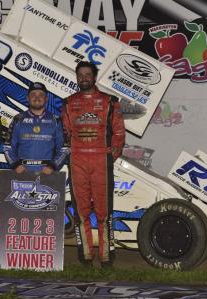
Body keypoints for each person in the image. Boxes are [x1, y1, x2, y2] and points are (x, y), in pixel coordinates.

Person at [62, 61, 125, 267]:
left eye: (87, 74)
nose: (84, 78)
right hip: (78, 161)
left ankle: (106, 256)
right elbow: (66, 133)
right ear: (77, 77)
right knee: (82, 211)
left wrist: (109, 156)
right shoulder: (68, 103)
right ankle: (86, 256)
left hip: (100, 162)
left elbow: (118, 133)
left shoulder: (109, 102)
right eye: (80, 75)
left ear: (94, 77)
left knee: (103, 211)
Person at [3, 82, 68, 174]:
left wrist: (53, 166)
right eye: (33, 94)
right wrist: (15, 165)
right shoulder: (18, 119)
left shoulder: (56, 120)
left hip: (48, 174)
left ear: (46, 99)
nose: (37, 97)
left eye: (41, 95)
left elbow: (64, 148)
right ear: (27, 98)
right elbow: (8, 146)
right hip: (22, 173)